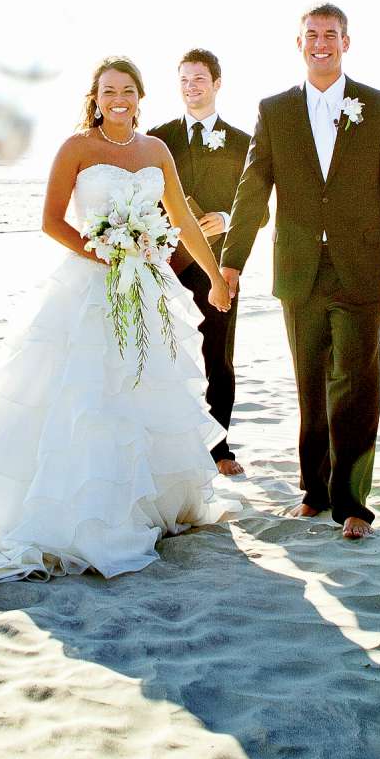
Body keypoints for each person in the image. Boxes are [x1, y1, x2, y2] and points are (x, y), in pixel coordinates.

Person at [0, 57, 238, 583]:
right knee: (87, 398)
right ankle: (81, 514)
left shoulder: (155, 150)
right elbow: (51, 221)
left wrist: (214, 278)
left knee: (142, 393)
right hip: (88, 287)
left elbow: (180, 218)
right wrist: (105, 253)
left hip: (143, 284)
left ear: (141, 97)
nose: (119, 98)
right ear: (95, 97)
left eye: (128, 90)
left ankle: (142, 508)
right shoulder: (75, 148)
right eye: (109, 90)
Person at [222, 5, 380, 539]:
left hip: (362, 266)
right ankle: (315, 492)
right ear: (299, 43)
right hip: (299, 266)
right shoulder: (275, 109)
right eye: (312, 35)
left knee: (355, 383)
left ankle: (353, 504)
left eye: (330, 35)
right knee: (310, 383)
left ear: (346, 43)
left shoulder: (378, 107)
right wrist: (232, 259)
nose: (321, 43)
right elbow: (253, 187)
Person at [149, 49, 249, 477]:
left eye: (200, 79)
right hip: (165, 261)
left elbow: (257, 207)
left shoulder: (244, 141)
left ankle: (219, 448)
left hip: (217, 264)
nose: (192, 87)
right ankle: (164, 443)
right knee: (162, 352)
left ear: (217, 83)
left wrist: (225, 218)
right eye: (185, 80)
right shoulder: (157, 137)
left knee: (218, 355)